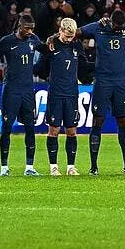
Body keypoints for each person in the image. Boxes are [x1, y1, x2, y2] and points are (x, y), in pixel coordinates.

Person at [80, 9, 125, 174]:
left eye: (121, 26)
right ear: (110, 21)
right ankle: (93, 167)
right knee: (98, 122)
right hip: (102, 82)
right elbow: (78, 32)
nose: (119, 29)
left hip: (122, 82)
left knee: (124, 122)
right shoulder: (97, 27)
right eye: (116, 26)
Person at [0, 13, 43, 176]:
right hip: (11, 90)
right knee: (6, 127)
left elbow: (46, 51)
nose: (30, 31)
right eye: (27, 28)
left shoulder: (34, 39)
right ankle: (4, 167)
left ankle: (29, 166)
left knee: (30, 128)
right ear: (19, 27)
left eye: (32, 29)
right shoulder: (6, 42)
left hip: (28, 90)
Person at [44, 18, 83, 176]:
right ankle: (53, 166)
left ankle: (70, 167)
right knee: (54, 130)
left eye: (71, 37)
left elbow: (84, 66)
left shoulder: (77, 46)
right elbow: (42, 66)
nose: (68, 39)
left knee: (72, 131)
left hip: (72, 94)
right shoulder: (51, 46)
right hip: (56, 94)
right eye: (66, 36)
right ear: (60, 31)